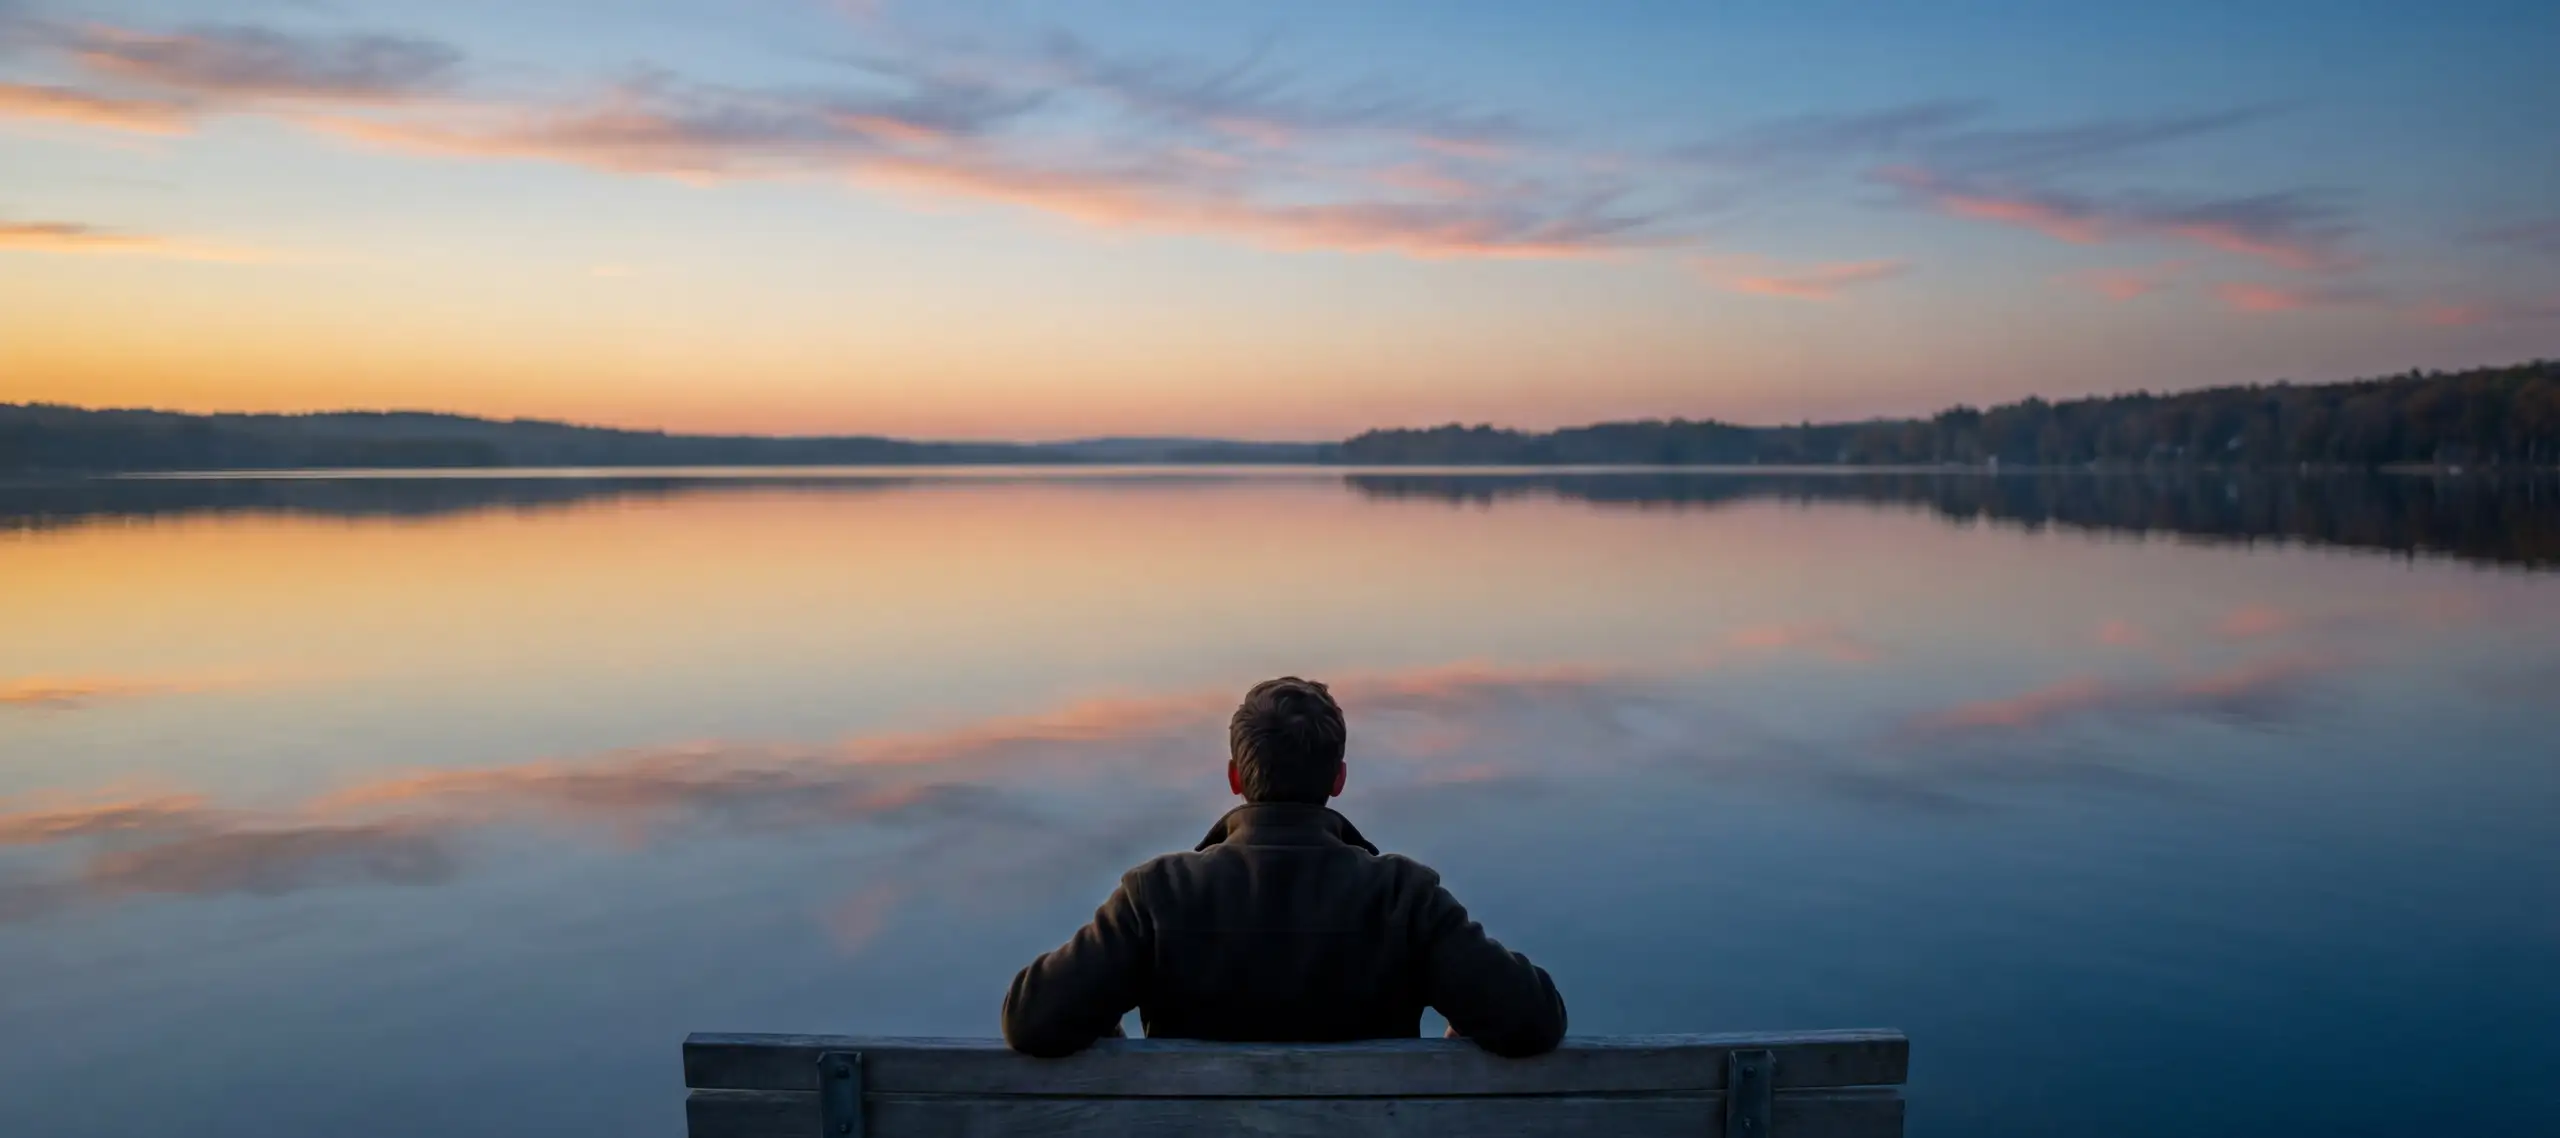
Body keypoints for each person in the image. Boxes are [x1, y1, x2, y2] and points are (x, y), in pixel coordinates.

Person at [1001, 676, 1567, 1058]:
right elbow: (1534, 1019)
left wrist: (1107, 1022)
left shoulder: (1158, 894)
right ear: (1338, 780)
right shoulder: (1403, 896)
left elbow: (1032, 1020)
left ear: (1235, 779)